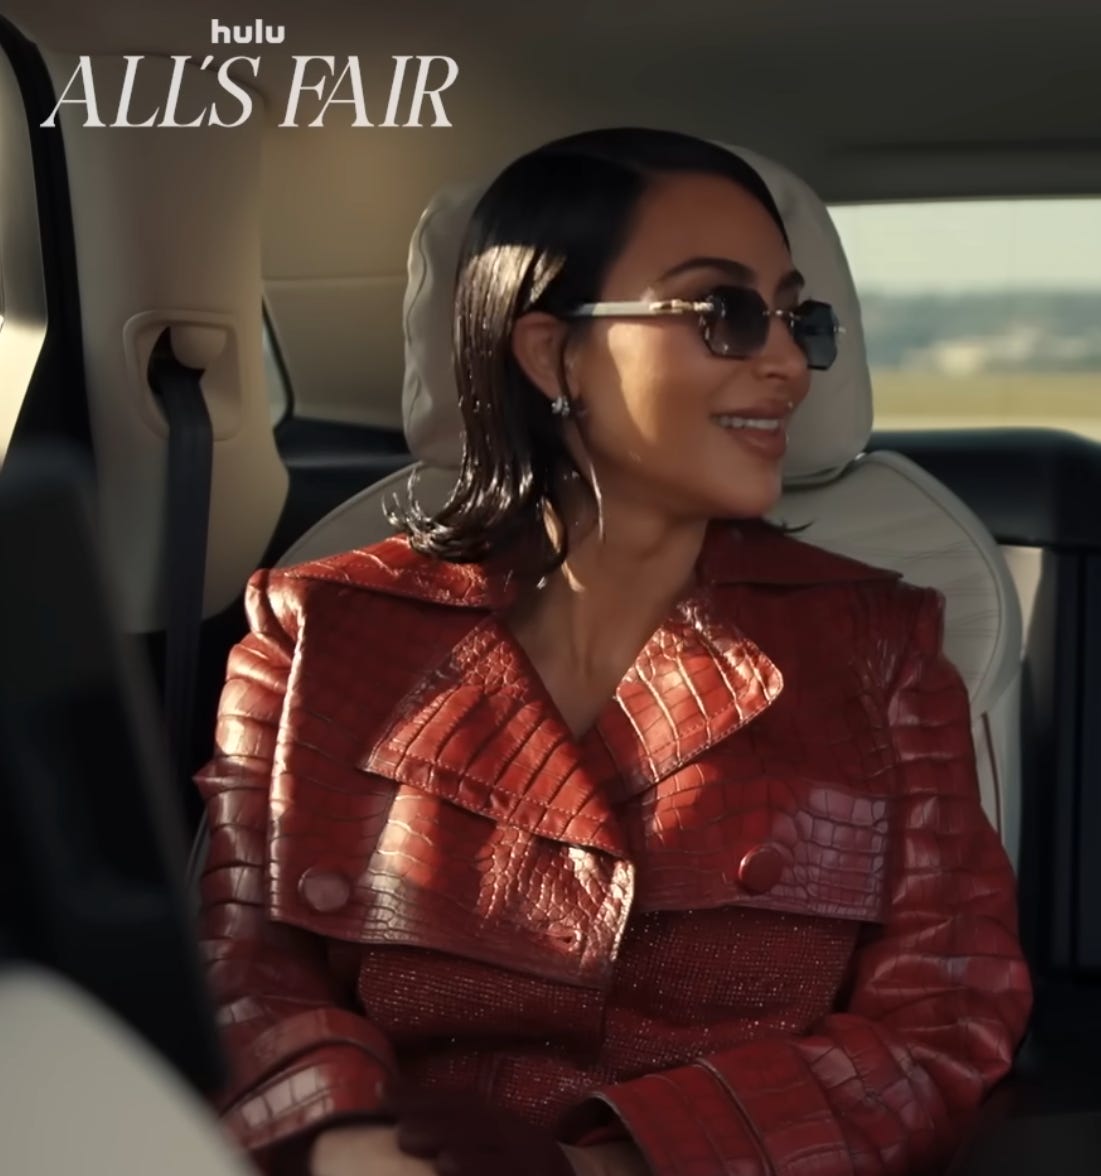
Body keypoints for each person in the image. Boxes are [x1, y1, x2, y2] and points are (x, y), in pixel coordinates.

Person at [191, 128, 1033, 1176]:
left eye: (798, 320)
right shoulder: (315, 629)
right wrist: (354, 1145)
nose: (786, 364)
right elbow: (238, 979)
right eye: (723, 313)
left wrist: (606, 1166)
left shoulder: (881, 645)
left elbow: (945, 1020)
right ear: (552, 355)